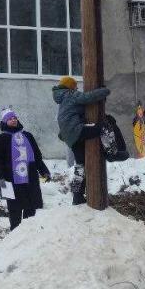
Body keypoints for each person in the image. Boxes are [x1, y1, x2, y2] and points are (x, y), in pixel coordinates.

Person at [52, 76, 111, 205]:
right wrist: (104, 91)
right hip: (76, 131)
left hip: (70, 137)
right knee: (104, 127)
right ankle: (113, 152)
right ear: (70, 86)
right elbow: (88, 97)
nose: (77, 88)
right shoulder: (70, 94)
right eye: (75, 86)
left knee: (80, 166)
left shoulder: (62, 98)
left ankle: (77, 197)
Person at [0, 110, 50, 230]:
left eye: (14, 117)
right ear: (4, 122)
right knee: (14, 210)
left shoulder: (28, 135)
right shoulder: (1, 139)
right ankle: (14, 237)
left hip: (30, 179)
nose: (13, 119)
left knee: (31, 207)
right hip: (9, 179)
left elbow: (37, 156)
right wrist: (0, 179)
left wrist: (44, 171)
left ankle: (28, 234)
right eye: (10, 118)